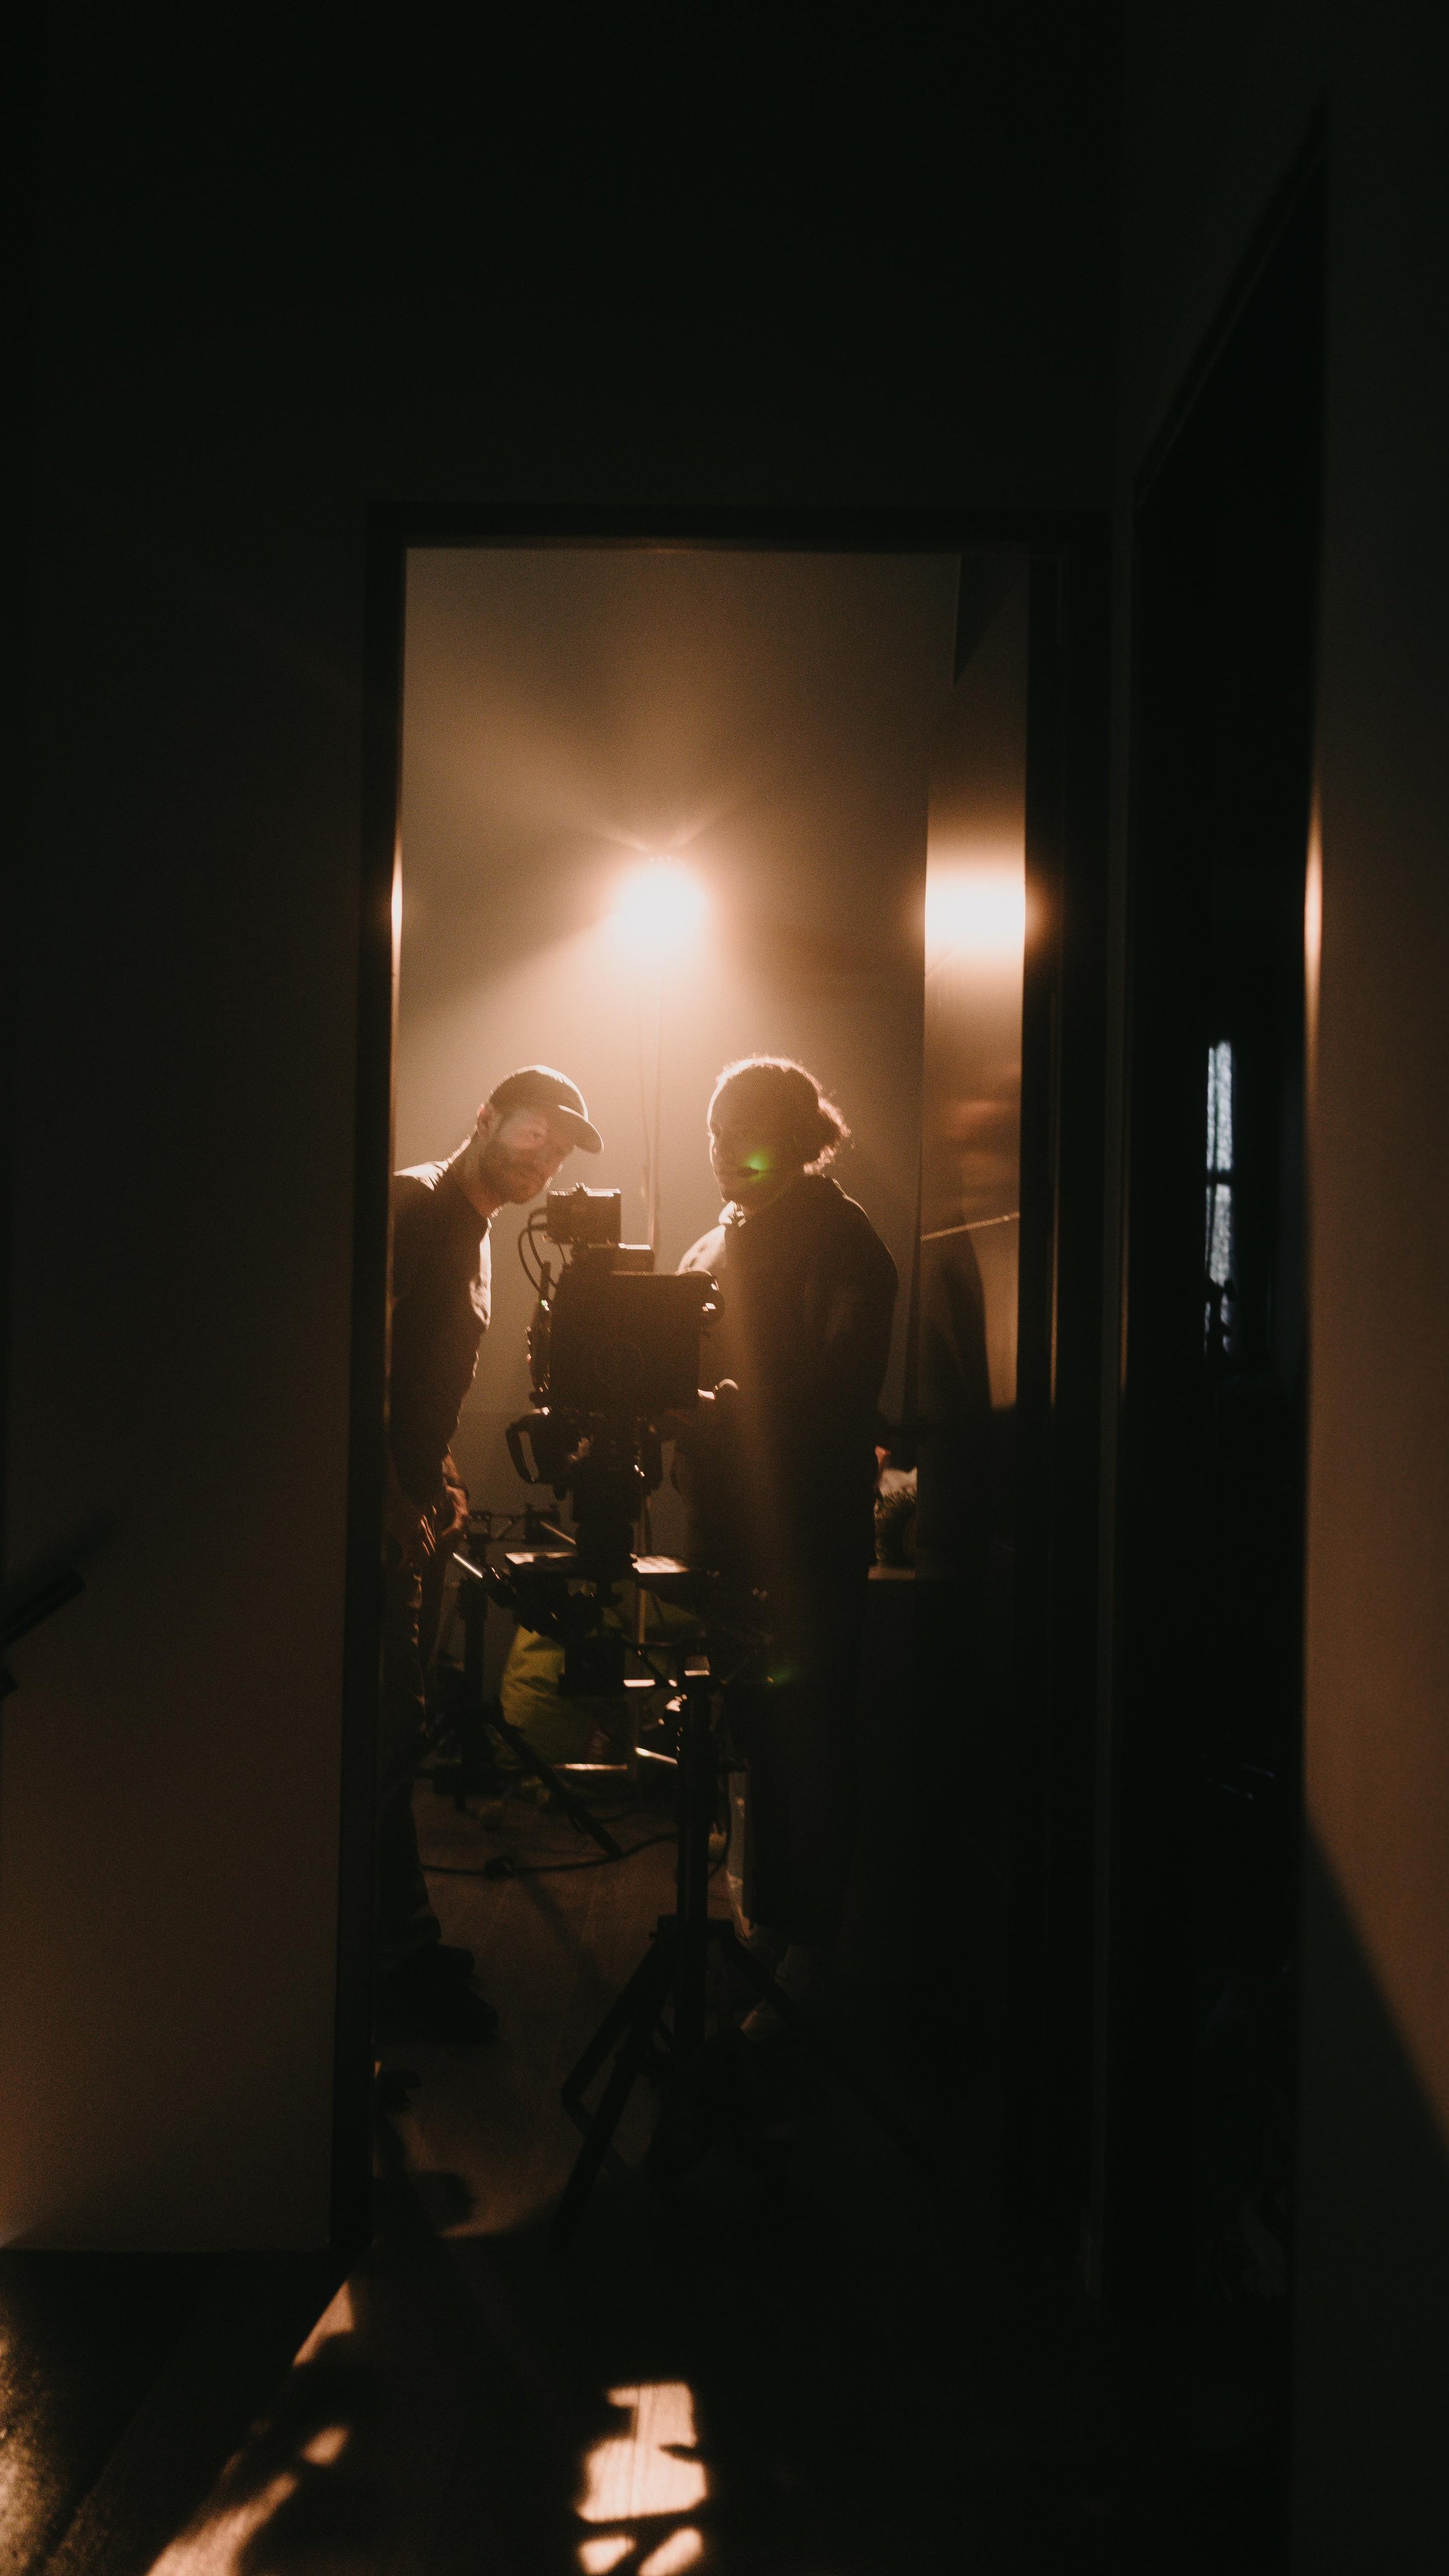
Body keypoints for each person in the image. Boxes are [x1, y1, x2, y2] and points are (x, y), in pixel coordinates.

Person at [379, 1064, 603, 2040]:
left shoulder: (470, 1230)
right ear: (484, 1117)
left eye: (557, 1150)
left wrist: (441, 1483)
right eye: (532, 1135)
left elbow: (422, 1384)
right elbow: (356, 1359)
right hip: (371, 1519)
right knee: (381, 1732)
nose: (544, 1159)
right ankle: (392, 1960)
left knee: (396, 1729)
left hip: (409, 1509)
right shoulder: (415, 1206)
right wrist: (390, 1496)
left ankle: (397, 1944)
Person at [675, 1057, 897, 2021]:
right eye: (716, 1129)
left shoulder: (845, 1245)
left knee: (807, 1742)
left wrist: (720, 1412)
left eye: (745, 1130)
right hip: (730, 1535)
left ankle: (804, 1951)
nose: (724, 1148)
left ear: (803, 1140)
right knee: (752, 1735)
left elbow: (840, 1393)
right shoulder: (719, 1242)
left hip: (805, 1537)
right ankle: (761, 1921)